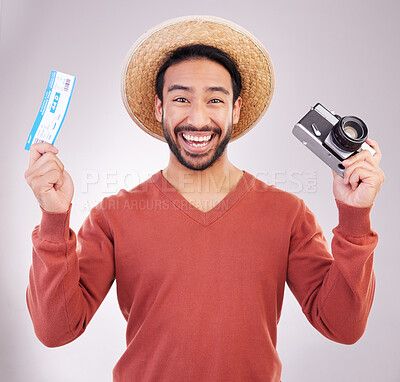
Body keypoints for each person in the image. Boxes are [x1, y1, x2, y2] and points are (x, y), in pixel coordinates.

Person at [24, 15, 385, 382]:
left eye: (215, 99)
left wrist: (356, 216)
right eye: (181, 98)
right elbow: (56, 331)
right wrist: (53, 219)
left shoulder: (287, 214)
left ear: (236, 110)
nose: (198, 119)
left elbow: (343, 326)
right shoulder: (113, 216)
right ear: (159, 107)